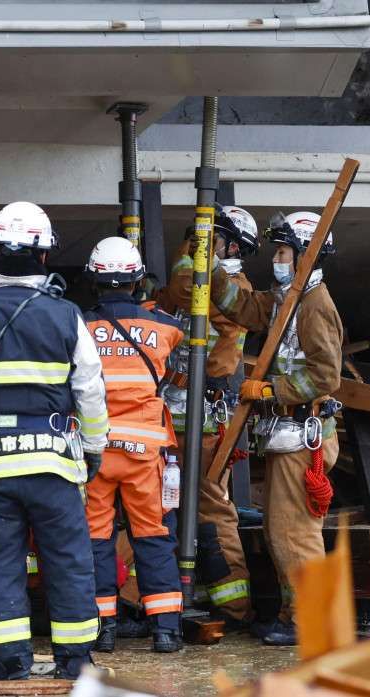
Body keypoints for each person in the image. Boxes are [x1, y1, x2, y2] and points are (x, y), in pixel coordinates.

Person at [0, 201, 109, 680]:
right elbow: (90, 393)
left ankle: (11, 663)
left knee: (1, 560)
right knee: (68, 558)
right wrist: (93, 451)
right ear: (45, 257)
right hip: (53, 464)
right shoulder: (66, 316)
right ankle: (73, 661)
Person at [208, 211, 343, 646]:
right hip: (287, 434)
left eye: (284, 252)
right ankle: (292, 616)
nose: (278, 260)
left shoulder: (315, 304)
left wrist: (270, 391)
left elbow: (325, 376)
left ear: (306, 256)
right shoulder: (289, 299)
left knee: (294, 533)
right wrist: (208, 267)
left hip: (303, 434)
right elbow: (244, 306)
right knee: (280, 531)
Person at [156, 205, 260, 628]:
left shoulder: (231, 286)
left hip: (203, 419)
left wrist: (194, 247)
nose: (197, 245)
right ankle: (150, 600)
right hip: (171, 410)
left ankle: (233, 608)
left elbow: (184, 286)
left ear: (229, 245)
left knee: (211, 509)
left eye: (208, 238)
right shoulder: (200, 282)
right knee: (155, 507)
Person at [81, 237, 185, 653]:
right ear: (139, 279)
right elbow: (200, 358)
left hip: (95, 451)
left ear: (94, 279)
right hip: (145, 453)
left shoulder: (79, 326)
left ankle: (103, 630)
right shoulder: (165, 327)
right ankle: (165, 631)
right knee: (154, 537)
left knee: (95, 541)